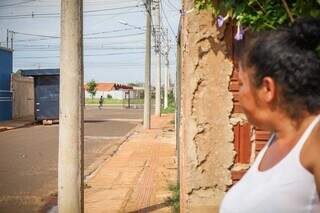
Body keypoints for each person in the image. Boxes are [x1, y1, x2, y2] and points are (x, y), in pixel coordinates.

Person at [220, 17, 320, 212]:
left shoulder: (315, 138)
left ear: (267, 88)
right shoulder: (276, 140)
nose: (238, 94)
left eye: (241, 84)